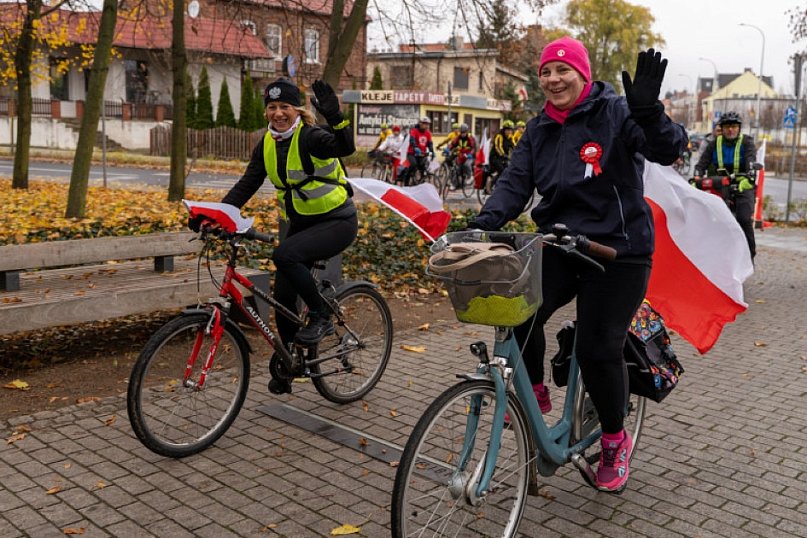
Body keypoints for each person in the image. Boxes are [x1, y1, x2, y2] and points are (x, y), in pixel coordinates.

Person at [467, 36, 687, 492]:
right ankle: (535, 393)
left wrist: (648, 113)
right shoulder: (538, 128)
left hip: (619, 252)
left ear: (583, 75)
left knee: (596, 347)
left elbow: (667, 149)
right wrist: (483, 222)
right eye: (546, 71)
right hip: (562, 243)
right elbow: (515, 182)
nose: (552, 79)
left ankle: (613, 439)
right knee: (517, 309)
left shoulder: (614, 113)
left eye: (563, 71)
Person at [189, 77, 357, 395]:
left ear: (297, 110)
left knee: (284, 255)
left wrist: (336, 117)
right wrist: (216, 216)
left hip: (337, 221)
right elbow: (247, 183)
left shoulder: (312, 136)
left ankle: (320, 315)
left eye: (285, 106)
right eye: (272, 107)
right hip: (303, 225)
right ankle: (294, 360)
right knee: (282, 299)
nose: (278, 113)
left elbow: (345, 147)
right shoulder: (266, 143)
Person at [693, 111, 757, 260]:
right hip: (720, 185)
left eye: (734, 126)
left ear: (739, 128)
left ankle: (749, 256)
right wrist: (697, 176)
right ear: (721, 128)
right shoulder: (715, 143)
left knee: (744, 219)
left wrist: (749, 176)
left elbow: (751, 161)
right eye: (727, 126)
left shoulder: (746, 142)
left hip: (742, 184)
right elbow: (701, 164)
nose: (730, 130)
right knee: (712, 219)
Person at [401, 116, 434, 186]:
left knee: (424, 167)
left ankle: (420, 182)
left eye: (427, 124)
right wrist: (415, 147)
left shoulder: (428, 133)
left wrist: (432, 152)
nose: (426, 125)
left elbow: (430, 144)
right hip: (412, 153)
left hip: (422, 153)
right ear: (420, 124)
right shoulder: (414, 131)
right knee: (413, 165)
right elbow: (412, 140)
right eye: (424, 123)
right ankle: (406, 183)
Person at [447, 123, 476, 189]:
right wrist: (448, 149)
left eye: (464, 132)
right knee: (456, 169)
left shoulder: (470, 138)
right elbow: (453, 144)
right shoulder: (458, 138)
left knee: (466, 165)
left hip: (469, 156)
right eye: (462, 132)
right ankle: (454, 184)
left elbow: (473, 148)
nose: (463, 134)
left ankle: (470, 177)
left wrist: (470, 154)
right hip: (461, 156)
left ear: (467, 132)